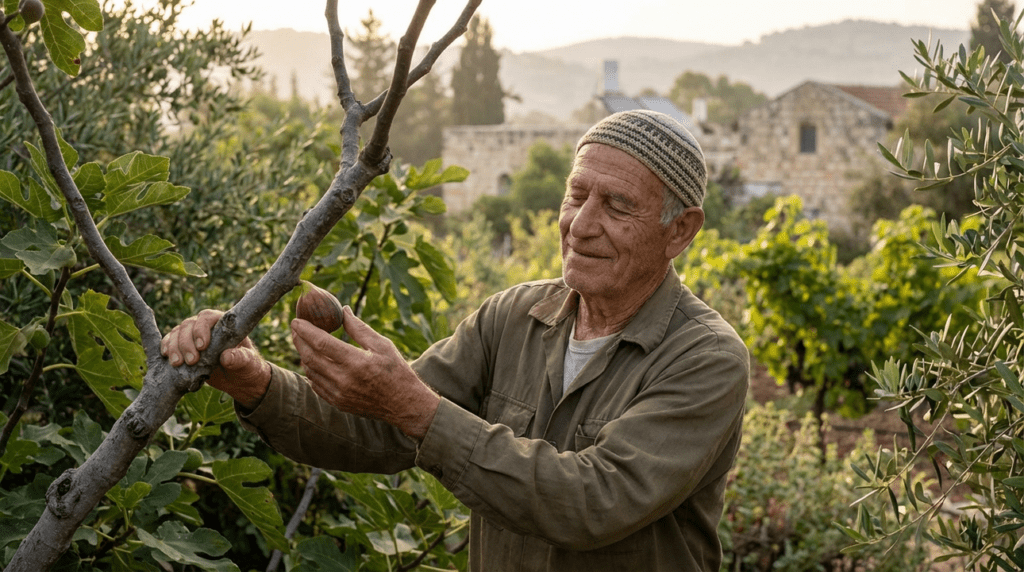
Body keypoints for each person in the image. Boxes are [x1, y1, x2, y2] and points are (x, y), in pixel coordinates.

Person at [162, 110, 749, 571]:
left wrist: (416, 408)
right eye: (576, 195)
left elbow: (595, 501)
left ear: (680, 231)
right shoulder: (514, 316)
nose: (582, 224)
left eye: (618, 206)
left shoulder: (705, 359)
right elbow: (378, 428)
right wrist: (256, 382)